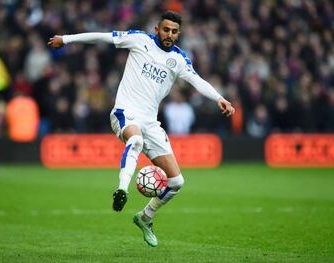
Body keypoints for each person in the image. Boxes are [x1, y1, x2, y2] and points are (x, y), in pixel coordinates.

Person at [48, 11, 235, 247]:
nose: (169, 34)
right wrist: (66, 39)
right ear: (157, 29)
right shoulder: (140, 40)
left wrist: (220, 98)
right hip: (124, 112)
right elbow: (102, 37)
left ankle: (145, 217)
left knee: (176, 182)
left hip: (150, 122)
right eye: (165, 29)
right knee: (134, 141)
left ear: (179, 34)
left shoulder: (178, 59)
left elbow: (197, 81)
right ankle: (122, 191)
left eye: (174, 31)